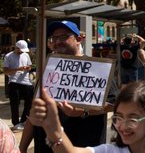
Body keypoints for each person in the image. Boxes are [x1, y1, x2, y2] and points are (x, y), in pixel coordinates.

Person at [19, 20, 116, 153]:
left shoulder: (98, 68)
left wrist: (83, 111)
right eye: (54, 38)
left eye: (64, 37)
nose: (57, 41)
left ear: (78, 39)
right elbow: (33, 114)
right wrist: (22, 148)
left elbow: (113, 104)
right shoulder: (48, 69)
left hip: (81, 146)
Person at [28, 81, 145, 153]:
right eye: (118, 117)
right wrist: (52, 128)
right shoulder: (110, 151)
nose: (123, 126)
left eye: (132, 119)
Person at [3, 40, 34, 131]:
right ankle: (16, 123)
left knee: (30, 102)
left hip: (26, 81)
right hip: (14, 82)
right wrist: (18, 69)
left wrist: (28, 68)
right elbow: (5, 71)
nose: (22, 52)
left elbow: (30, 66)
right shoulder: (8, 56)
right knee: (15, 103)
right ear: (16, 48)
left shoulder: (26, 55)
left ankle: (24, 120)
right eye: (20, 50)